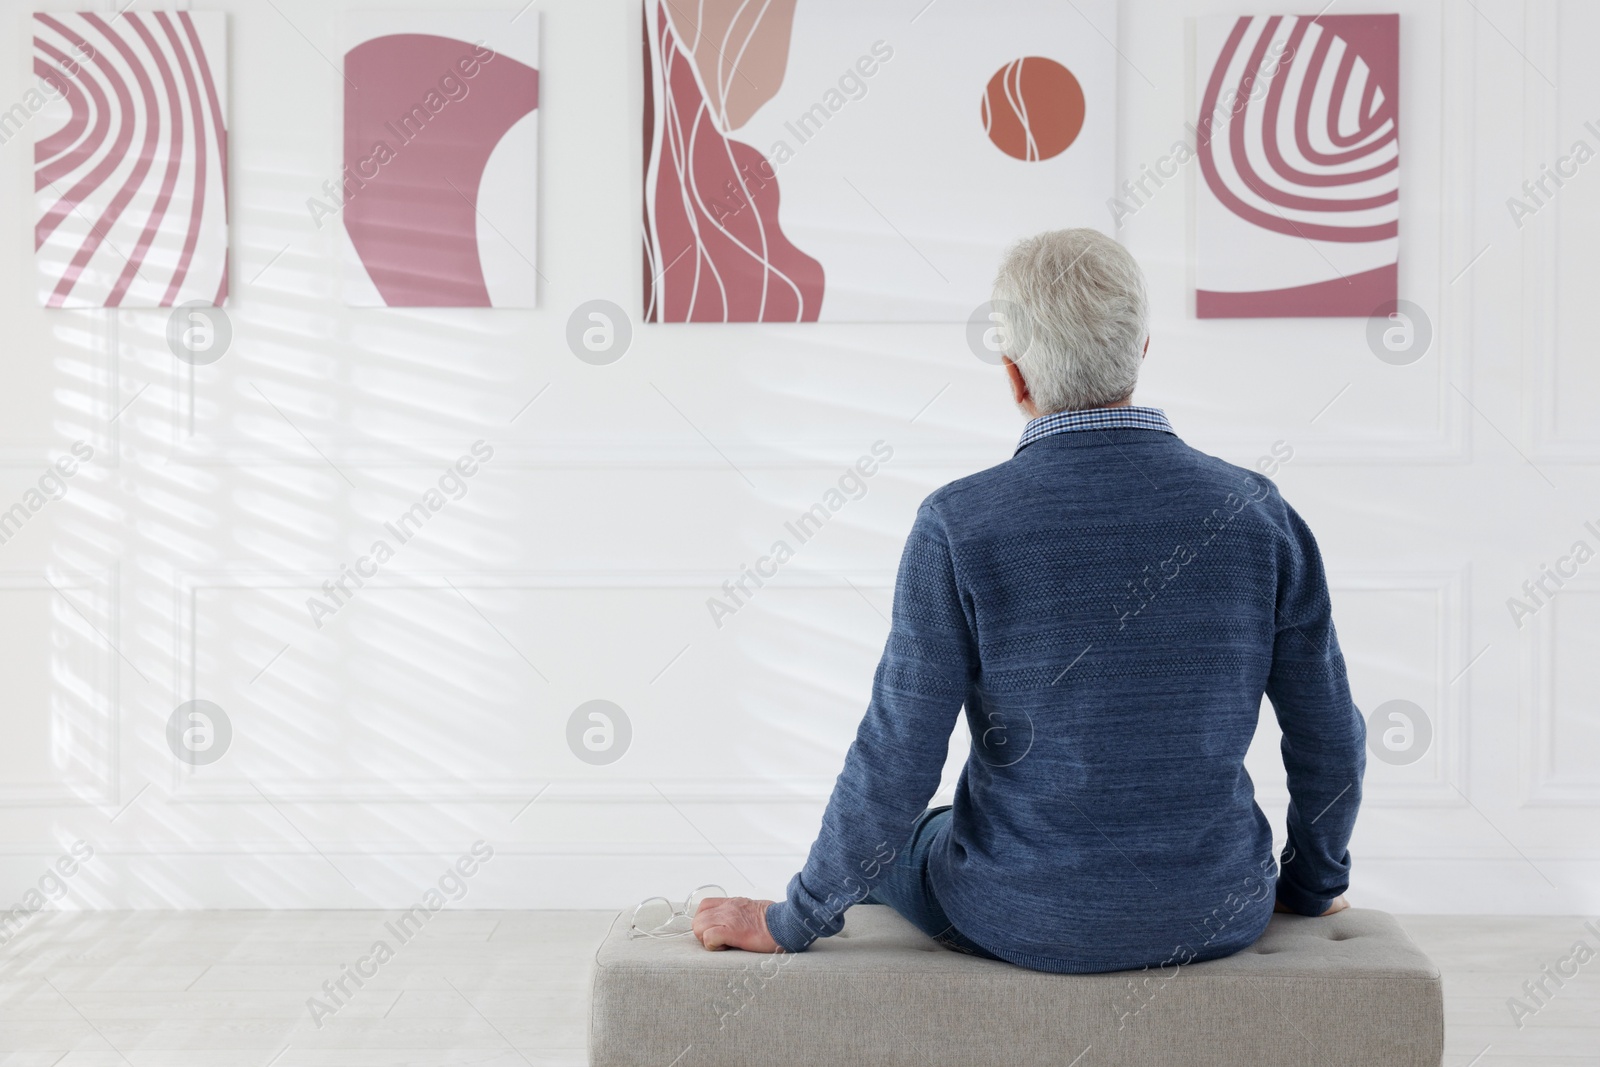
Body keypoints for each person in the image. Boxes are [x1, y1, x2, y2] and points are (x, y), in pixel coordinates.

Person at [692, 228, 1364, 973]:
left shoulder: (958, 524)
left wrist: (792, 917)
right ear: (1141, 351)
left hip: (1023, 915)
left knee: (901, 838)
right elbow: (1330, 734)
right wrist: (1312, 883)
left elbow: (898, 756)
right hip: (1218, 906)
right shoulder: (1259, 513)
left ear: (1014, 375)